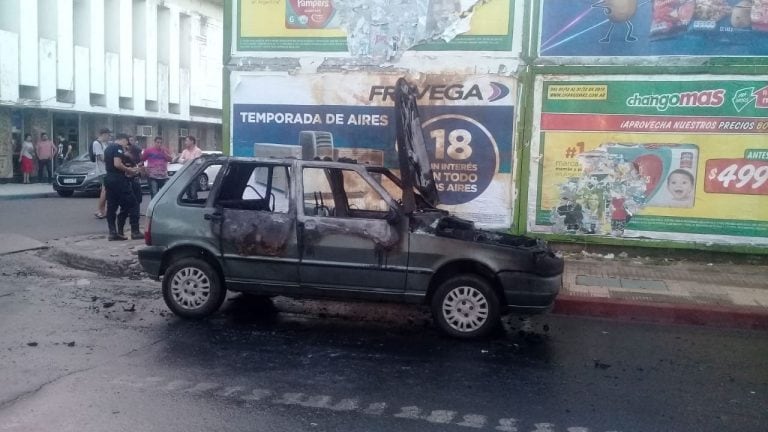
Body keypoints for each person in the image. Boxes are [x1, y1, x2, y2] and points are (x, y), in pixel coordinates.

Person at [103, 133, 141, 241]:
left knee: (112, 206)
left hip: (109, 178)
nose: (126, 145)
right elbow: (117, 164)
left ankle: (113, 232)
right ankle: (135, 231)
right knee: (133, 203)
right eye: (126, 142)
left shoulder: (108, 148)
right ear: (123, 140)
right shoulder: (117, 147)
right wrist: (130, 170)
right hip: (118, 179)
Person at [92, 128, 110, 219]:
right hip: (102, 170)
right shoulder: (97, 143)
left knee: (105, 191)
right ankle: (99, 210)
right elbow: (101, 158)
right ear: (103, 134)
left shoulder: (104, 144)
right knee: (104, 190)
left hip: (106, 170)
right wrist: (111, 159)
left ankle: (103, 211)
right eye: (108, 135)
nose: (108, 137)